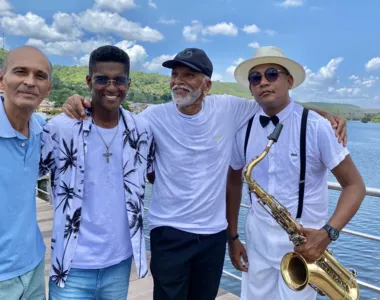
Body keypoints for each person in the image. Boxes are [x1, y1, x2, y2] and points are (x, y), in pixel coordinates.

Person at [61, 48, 347, 300]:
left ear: (207, 85)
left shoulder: (229, 108)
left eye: (189, 75)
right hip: (168, 232)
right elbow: (111, 117)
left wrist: (324, 114)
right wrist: (79, 103)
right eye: (175, 75)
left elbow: (279, 106)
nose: (178, 81)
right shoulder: (151, 117)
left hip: (212, 235)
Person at [226, 46, 366, 300]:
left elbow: (355, 186)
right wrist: (233, 237)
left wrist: (327, 234)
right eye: (255, 78)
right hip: (256, 243)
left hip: (303, 246)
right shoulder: (243, 129)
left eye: (272, 74)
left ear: (289, 81)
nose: (263, 82)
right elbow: (234, 182)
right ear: (250, 87)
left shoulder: (318, 127)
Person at [39, 45, 153, 299]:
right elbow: (29, 170)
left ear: (128, 83)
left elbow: (155, 170)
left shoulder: (141, 131)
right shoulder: (61, 128)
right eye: (102, 79)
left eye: (119, 80)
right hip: (71, 265)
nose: (112, 88)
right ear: (89, 81)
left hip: (119, 262)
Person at [0, 46, 52, 300]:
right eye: (20, 71)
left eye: (40, 76)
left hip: (32, 265)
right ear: (2, 80)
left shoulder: (41, 129)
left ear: (48, 88)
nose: (30, 82)